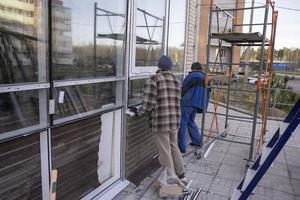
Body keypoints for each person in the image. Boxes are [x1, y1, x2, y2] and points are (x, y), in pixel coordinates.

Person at [137, 55, 186, 184]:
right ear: (170, 67)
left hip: (161, 121)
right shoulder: (176, 80)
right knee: (173, 146)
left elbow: (148, 103)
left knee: (165, 150)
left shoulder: (154, 79)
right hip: (174, 120)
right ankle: (181, 174)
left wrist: (139, 112)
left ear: (159, 66)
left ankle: (170, 178)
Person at [178, 62, 211, 153]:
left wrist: (178, 98)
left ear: (194, 68)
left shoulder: (192, 76)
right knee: (190, 121)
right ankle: (198, 142)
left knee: (183, 123)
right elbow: (207, 93)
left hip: (187, 103)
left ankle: (181, 147)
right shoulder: (205, 78)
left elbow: (183, 89)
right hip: (197, 104)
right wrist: (203, 106)